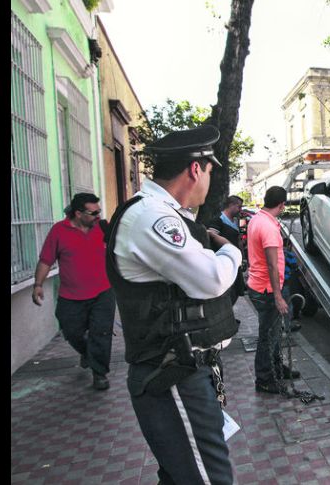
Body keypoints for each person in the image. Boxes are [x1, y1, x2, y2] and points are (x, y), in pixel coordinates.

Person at [105, 124, 241, 485]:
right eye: (210, 171)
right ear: (195, 169)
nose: (209, 179)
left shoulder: (162, 214)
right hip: (172, 373)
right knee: (208, 477)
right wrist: (231, 251)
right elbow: (211, 279)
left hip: (177, 369)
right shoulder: (152, 216)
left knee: (182, 475)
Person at [32, 192, 115, 391]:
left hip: (103, 291)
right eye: (93, 212)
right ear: (78, 213)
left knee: (101, 333)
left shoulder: (102, 228)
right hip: (71, 295)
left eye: (99, 211)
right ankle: (88, 352)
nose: (98, 216)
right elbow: (46, 260)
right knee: (71, 330)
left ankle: (99, 374)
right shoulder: (59, 231)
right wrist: (37, 285)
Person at [247, 186, 300, 394]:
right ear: (281, 204)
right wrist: (278, 296)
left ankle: (277, 368)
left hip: (261, 286)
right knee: (268, 336)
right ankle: (264, 379)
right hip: (267, 290)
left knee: (274, 332)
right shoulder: (268, 227)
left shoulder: (257, 219)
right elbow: (271, 264)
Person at [208, 195, 247, 310]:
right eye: (238, 207)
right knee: (229, 291)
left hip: (236, 260)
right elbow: (211, 236)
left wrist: (243, 258)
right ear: (231, 205)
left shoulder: (237, 221)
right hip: (224, 261)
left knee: (237, 290)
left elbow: (239, 239)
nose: (240, 210)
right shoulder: (218, 219)